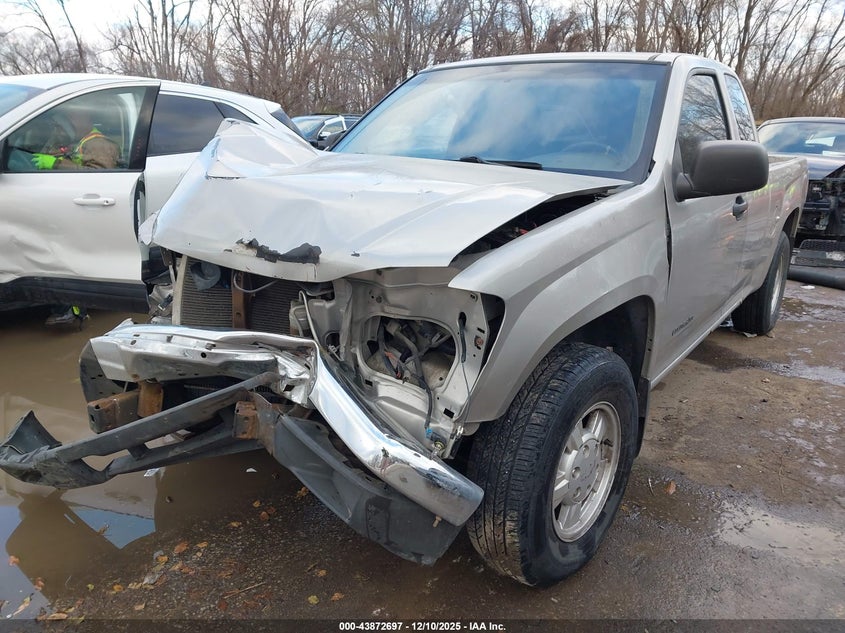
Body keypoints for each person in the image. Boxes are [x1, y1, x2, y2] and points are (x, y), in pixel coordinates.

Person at [31, 106, 119, 326]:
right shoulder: (78, 143)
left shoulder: (98, 143)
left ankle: (74, 312)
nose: (59, 127)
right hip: (73, 210)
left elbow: (100, 175)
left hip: (92, 210)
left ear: (81, 119)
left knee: (69, 261)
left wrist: (55, 163)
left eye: (64, 122)